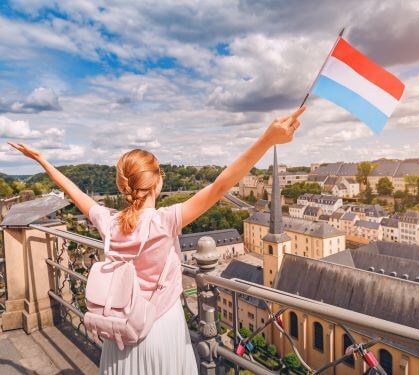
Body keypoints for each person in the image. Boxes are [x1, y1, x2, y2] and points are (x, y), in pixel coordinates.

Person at [7, 106, 306, 375]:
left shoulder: (109, 222)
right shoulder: (165, 221)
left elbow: (76, 194)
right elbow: (222, 184)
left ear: (123, 185)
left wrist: (42, 161)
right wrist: (267, 139)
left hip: (119, 330)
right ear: (158, 181)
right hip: (160, 327)